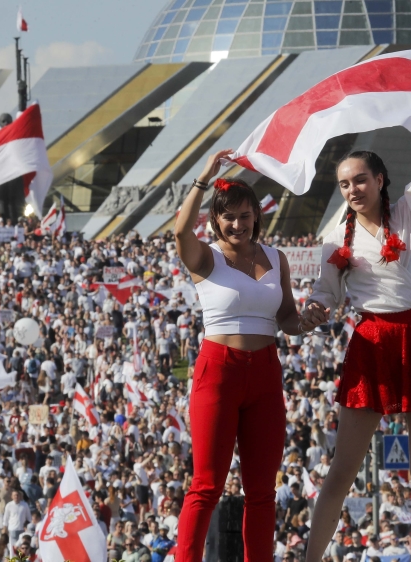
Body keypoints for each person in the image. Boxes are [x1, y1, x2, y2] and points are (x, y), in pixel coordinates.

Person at [299, 56, 411, 562]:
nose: (352, 189)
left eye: (360, 180)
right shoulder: (335, 237)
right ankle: (309, 558)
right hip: (370, 343)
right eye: (345, 183)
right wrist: (310, 311)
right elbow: (324, 294)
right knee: (342, 470)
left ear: (379, 179)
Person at [172, 149, 305, 562]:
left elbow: (287, 319)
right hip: (219, 370)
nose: (237, 224)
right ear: (215, 221)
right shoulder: (206, 257)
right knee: (206, 484)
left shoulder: (276, 258)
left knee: (262, 491)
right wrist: (204, 178)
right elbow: (179, 233)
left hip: (266, 372)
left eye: (245, 216)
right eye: (228, 217)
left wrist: (309, 319)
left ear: (256, 218)